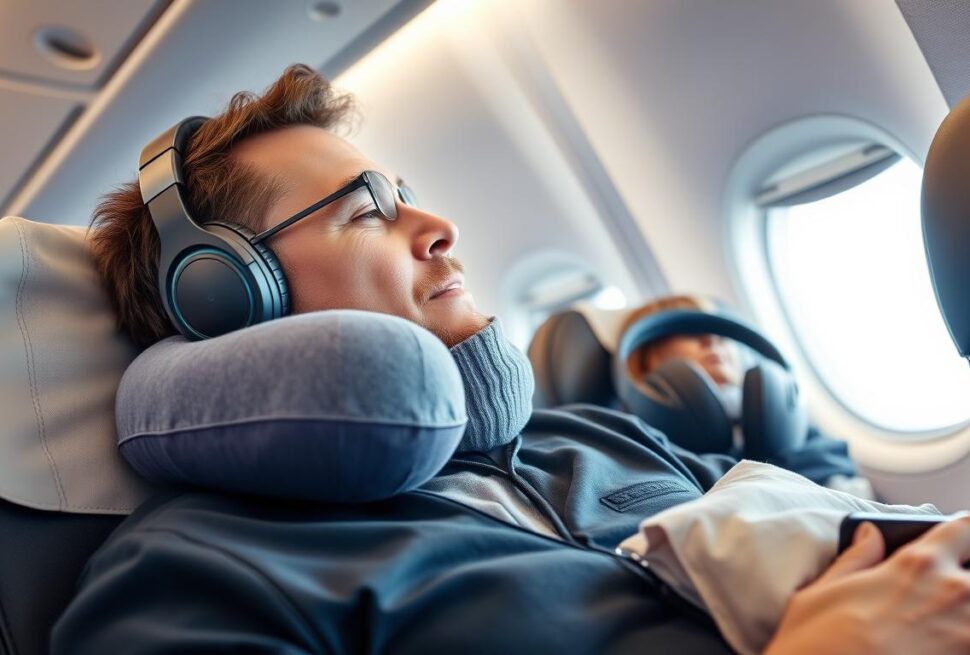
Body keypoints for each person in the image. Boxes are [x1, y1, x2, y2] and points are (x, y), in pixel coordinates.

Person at [53, 64, 970, 654]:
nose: (438, 224)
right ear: (227, 296)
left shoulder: (599, 438)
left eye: (407, 193)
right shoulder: (196, 573)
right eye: (366, 209)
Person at [618, 294, 873, 496]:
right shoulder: (637, 435)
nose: (711, 339)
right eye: (692, 331)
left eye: (719, 334)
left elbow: (833, 464)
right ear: (646, 357)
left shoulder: (769, 408)